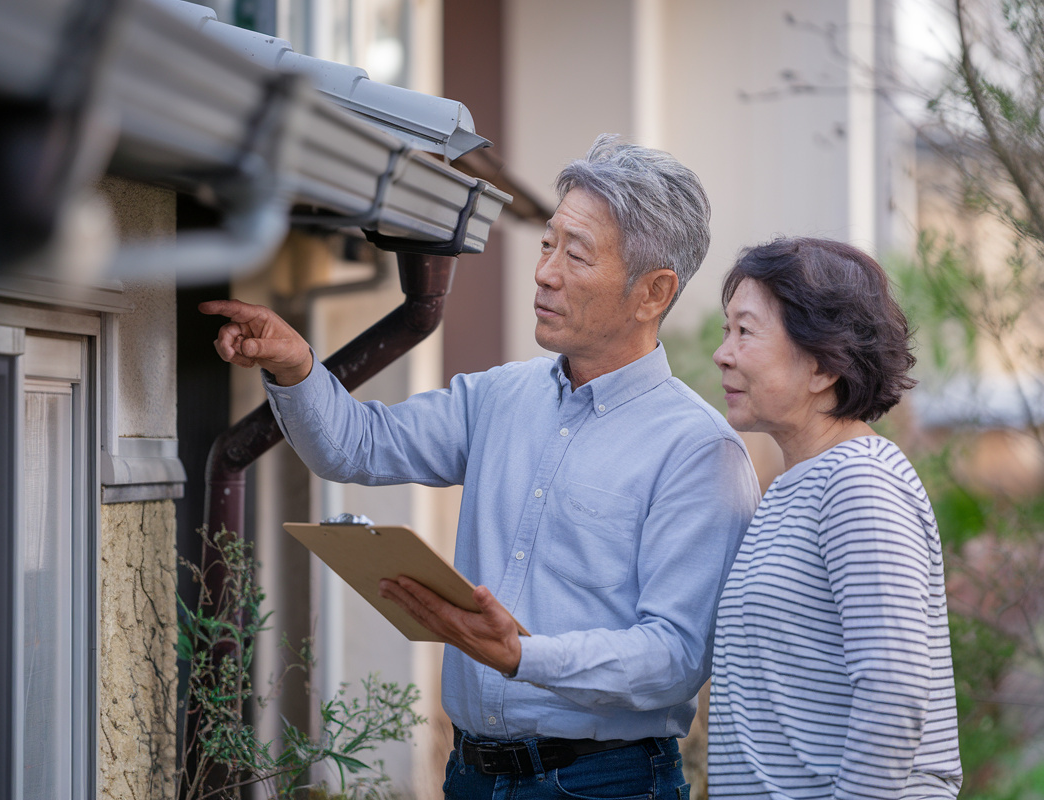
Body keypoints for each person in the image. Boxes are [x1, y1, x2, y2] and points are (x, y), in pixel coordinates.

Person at [203, 135, 760, 800]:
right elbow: (356, 444)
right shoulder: (502, 396)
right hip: (470, 776)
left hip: (605, 784)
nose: (544, 272)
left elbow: (673, 658)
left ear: (653, 292)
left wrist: (523, 655)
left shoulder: (698, 450)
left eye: (574, 254)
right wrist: (295, 367)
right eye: (548, 243)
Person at [708, 237, 963, 799]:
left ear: (823, 364)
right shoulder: (798, 486)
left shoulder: (858, 485)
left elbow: (893, 690)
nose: (723, 353)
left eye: (745, 331)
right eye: (727, 332)